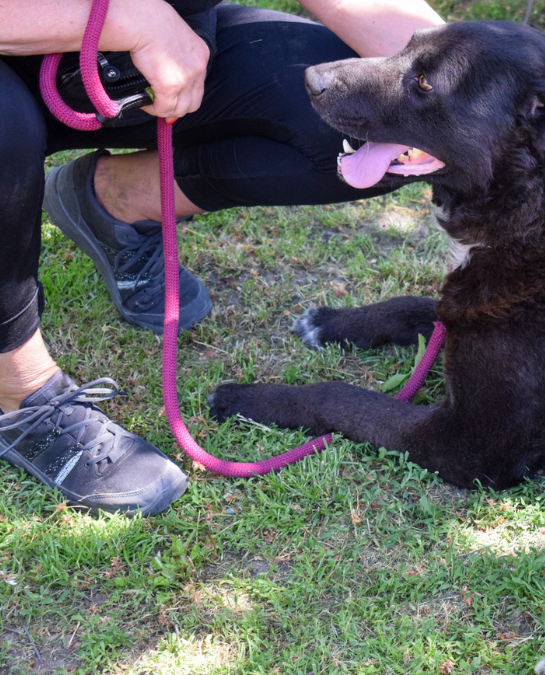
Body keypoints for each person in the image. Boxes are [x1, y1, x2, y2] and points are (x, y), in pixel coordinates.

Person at [0, 0, 443, 515]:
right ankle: (18, 389)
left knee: (364, 106)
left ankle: (115, 202)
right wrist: (129, 22)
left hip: (147, 58)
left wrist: (484, 83)